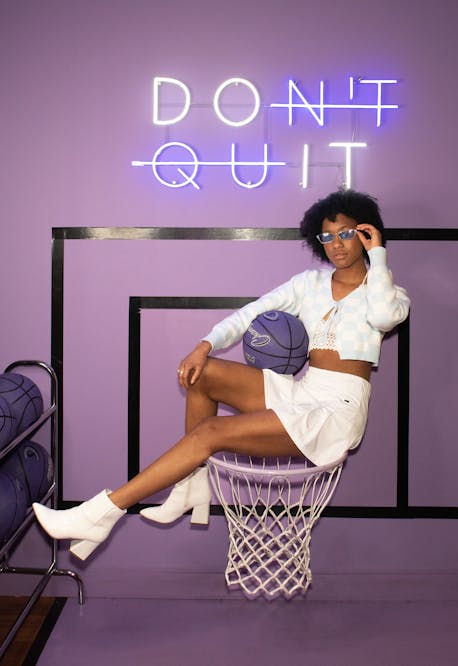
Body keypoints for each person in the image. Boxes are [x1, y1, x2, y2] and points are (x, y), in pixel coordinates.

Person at [33, 189, 410, 560]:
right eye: (327, 236)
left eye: (346, 233)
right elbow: (249, 314)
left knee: (209, 434)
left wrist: (378, 257)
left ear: (365, 233)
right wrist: (204, 345)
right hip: (304, 390)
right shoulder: (308, 284)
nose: (337, 244)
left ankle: (99, 514)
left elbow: (383, 317)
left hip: (338, 409)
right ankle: (194, 485)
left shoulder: (389, 293)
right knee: (204, 373)